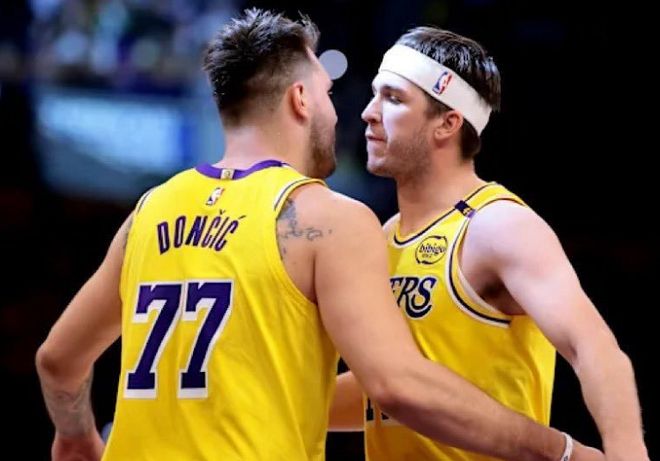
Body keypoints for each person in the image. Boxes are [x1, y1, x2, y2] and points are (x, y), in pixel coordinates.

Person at [36, 9, 604, 461]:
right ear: (301, 99)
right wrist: (561, 450)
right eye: (330, 93)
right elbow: (399, 387)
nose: (345, 113)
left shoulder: (149, 212)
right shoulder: (325, 217)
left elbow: (58, 361)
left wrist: (76, 435)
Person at [328, 26, 650, 461]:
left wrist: (628, 452)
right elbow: (390, 393)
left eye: (394, 99)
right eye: (374, 95)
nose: (369, 113)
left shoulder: (496, 224)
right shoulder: (385, 236)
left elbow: (593, 348)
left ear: (447, 123)